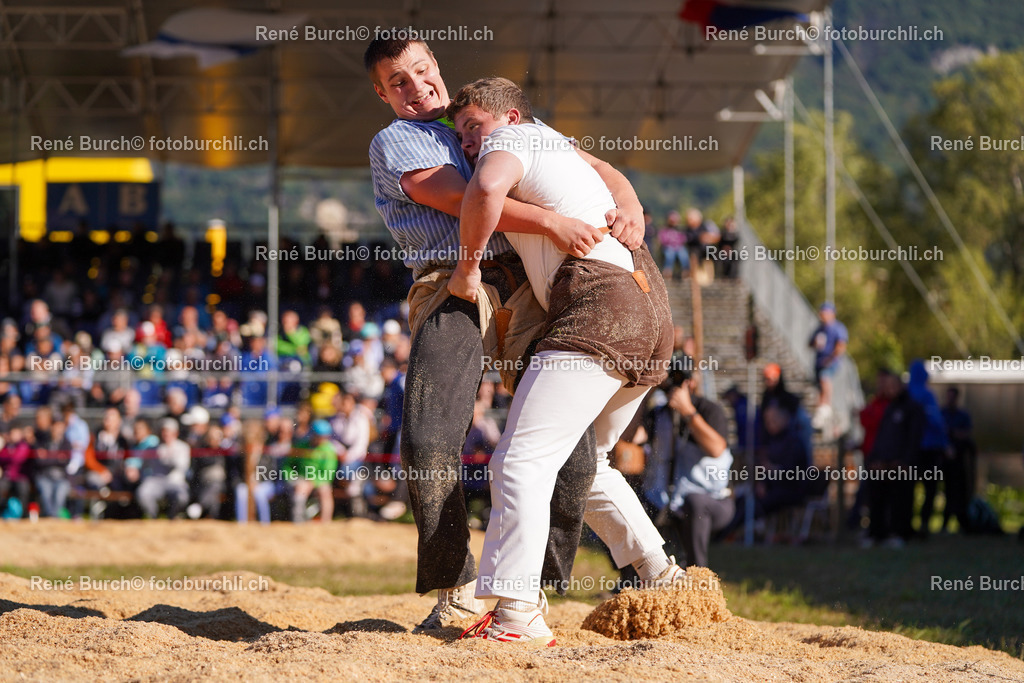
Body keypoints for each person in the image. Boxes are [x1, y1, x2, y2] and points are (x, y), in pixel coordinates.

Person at [365, 35, 645, 632]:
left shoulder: (491, 119)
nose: (416, 86)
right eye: (398, 82)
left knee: (570, 448)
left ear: (437, 66)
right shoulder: (398, 139)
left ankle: (532, 588)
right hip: (453, 278)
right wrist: (552, 221)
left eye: (421, 70)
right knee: (429, 431)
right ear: (382, 94)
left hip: (524, 281)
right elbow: (466, 198)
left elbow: (594, 166)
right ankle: (456, 582)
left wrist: (630, 205)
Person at [446, 77, 678, 644]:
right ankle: (664, 578)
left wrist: (468, 269)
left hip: (600, 303)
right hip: (650, 306)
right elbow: (611, 172)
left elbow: (484, 191)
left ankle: (516, 614)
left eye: (474, 127)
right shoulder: (550, 140)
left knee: (519, 461)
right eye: (461, 135)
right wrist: (632, 207)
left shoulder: (512, 140)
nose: (469, 142)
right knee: (589, 460)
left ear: (510, 117)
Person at [646, 366, 733, 569]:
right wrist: (646, 390)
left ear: (691, 382)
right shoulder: (659, 414)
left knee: (695, 502)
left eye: (679, 377)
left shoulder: (709, 410)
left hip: (713, 499)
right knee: (630, 503)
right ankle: (632, 579)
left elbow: (717, 449)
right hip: (667, 498)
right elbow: (631, 437)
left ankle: (697, 574)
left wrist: (687, 412)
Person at [863, 370, 923, 548]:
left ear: (901, 386)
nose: (890, 390)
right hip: (883, 464)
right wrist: (875, 459)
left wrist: (906, 461)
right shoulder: (888, 408)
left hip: (901, 465)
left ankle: (900, 533)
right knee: (877, 499)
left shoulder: (913, 408)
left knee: (901, 500)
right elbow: (881, 438)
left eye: (893, 386)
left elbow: (914, 438)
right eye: (887, 386)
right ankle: (877, 533)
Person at [906, 360, 951, 539]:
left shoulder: (906, 394)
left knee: (908, 487)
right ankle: (924, 523)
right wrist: (945, 443)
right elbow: (936, 421)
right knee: (930, 487)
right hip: (929, 449)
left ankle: (906, 522)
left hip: (909, 450)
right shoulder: (926, 394)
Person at [136, 419, 191, 519]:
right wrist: (144, 478)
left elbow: (182, 467)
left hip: (175, 481)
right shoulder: (152, 449)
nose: (166, 434)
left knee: (182, 497)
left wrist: (169, 455)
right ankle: (153, 517)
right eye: (163, 431)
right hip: (156, 480)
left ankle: (172, 517)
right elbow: (143, 467)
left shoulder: (183, 447)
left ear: (175, 433)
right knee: (143, 493)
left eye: (169, 432)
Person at [808, 302, 848, 429]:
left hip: (829, 362)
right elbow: (809, 343)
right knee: (819, 386)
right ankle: (820, 409)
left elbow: (841, 345)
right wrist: (815, 343)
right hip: (819, 362)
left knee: (824, 378)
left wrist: (830, 359)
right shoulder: (820, 329)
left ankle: (826, 406)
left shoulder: (838, 328)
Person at [940, 386, 975, 532]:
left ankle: (962, 521)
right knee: (947, 490)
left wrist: (954, 434)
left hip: (959, 460)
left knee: (960, 491)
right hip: (944, 459)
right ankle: (945, 522)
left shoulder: (963, 415)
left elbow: (966, 434)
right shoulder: (941, 414)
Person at [658, 211, 688, 280]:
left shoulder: (680, 230)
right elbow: (662, 240)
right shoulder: (664, 230)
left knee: (683, 255)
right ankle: (668, 272)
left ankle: (685, 271)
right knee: (669, 255)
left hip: (679, 247)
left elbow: (684, 239)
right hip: (668, 247)